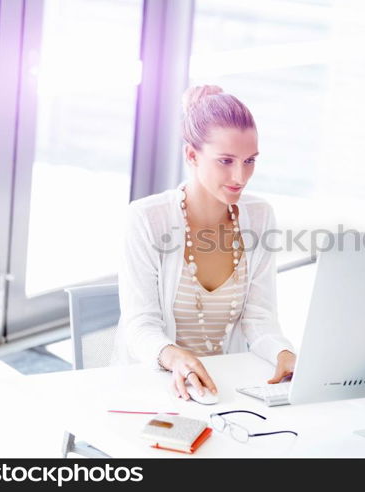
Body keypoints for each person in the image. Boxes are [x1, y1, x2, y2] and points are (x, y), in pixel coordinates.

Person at [111, 85, 297, 400]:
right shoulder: (147, 218)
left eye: (250, 160)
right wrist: (174, 357)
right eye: (226, 161)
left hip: (226, 388)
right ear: (192, 155)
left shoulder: (260, 216)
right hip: (155, 387)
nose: (241, 176)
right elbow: (140, 327)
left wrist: (283, 353)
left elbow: (259, 317)